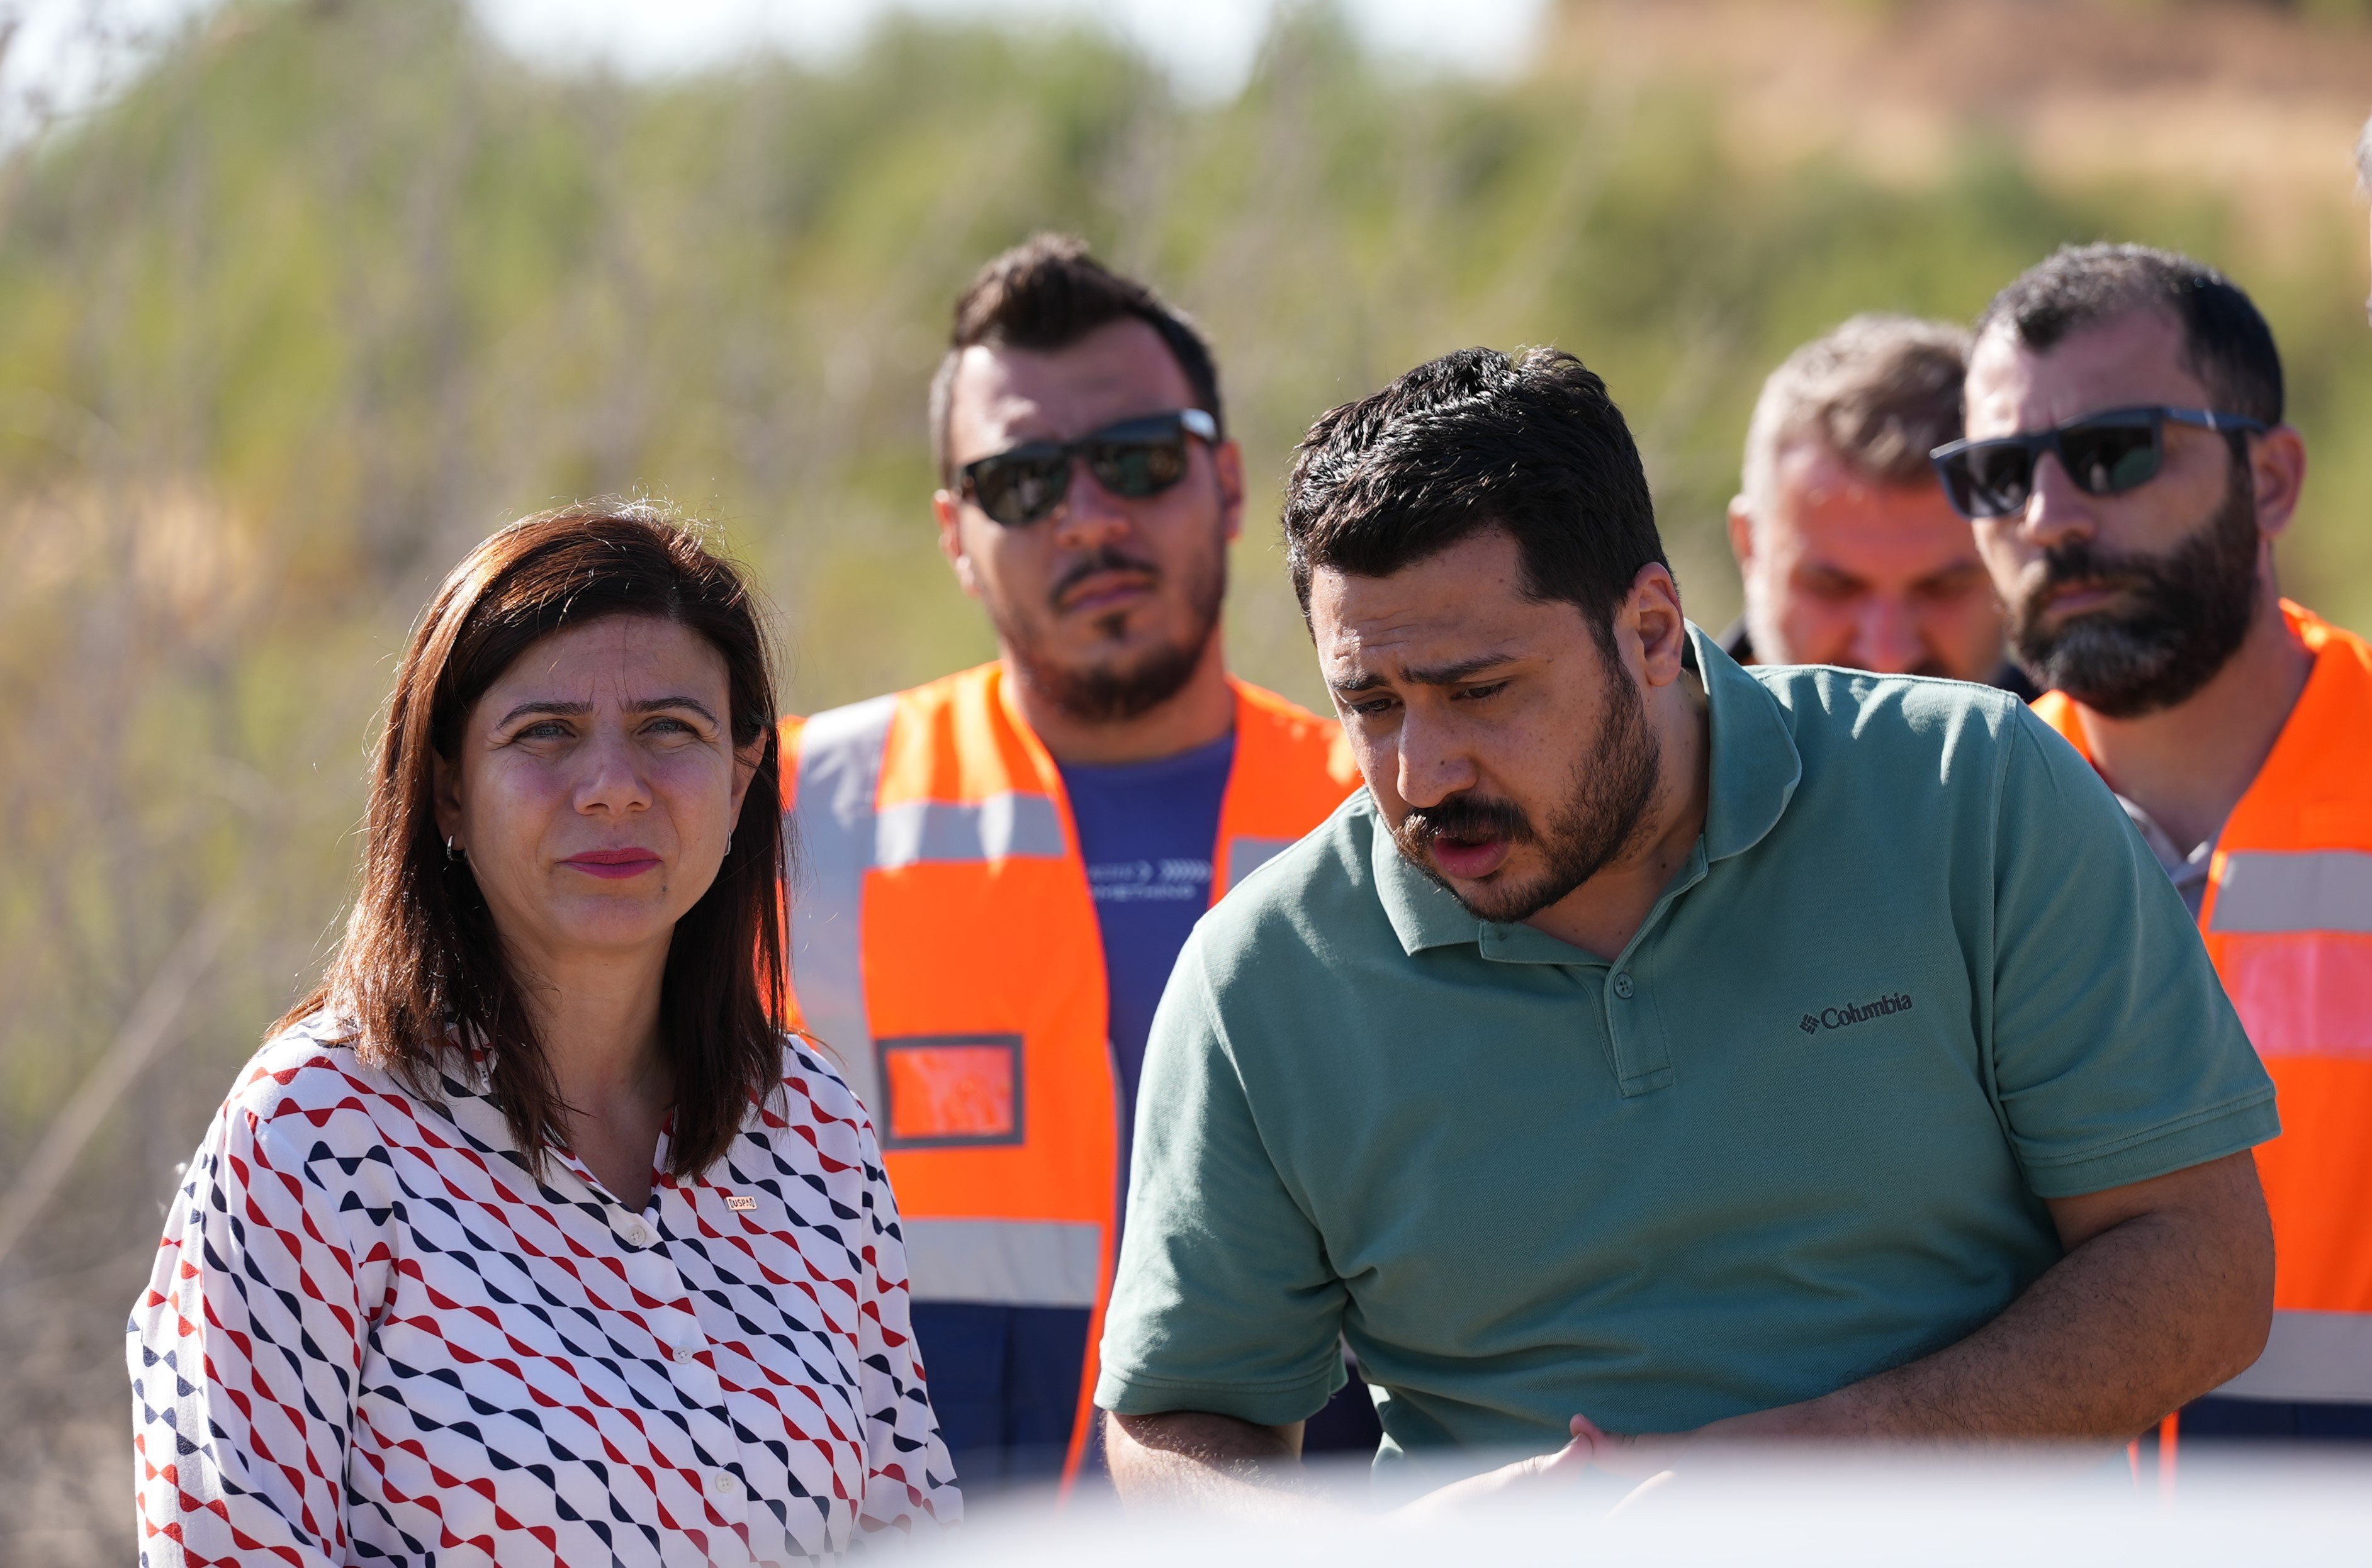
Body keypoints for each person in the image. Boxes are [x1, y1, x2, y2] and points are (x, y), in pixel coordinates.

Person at [1095, 344, 2279, 1509]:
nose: (1421, 770)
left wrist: (1834, 1459)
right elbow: (1173, 1420)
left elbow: (2202, 1266)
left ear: (1651, 630)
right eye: (1370, 704)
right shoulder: (1261, 975)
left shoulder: (1973, 793)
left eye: (1477, 690)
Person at [128, 506, 957, 1563]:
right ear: (447, 792)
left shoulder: (809, 1129)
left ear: (743, 775)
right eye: (544, 733)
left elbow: (909, 1533)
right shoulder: (318, 1135)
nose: (612, 783)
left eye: (670, 729)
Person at [778, 235, 1366, 1495]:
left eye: (1141, 460)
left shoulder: (1385, 813)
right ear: (953, 530)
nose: (1089, 517)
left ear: (1223, 481)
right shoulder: (790, 810)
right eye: (1023, 481)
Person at [1947, 242, 2372, 1441]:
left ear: (2272, 480)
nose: (2045, 517)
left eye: (2111, 451)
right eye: (1992, 473)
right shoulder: (1934, 839)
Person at [1724, 314, 2032, 695]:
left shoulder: (2085, 751)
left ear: (2015, 553)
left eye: (1943, 588)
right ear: (1749, 545)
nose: (1888, 659)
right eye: (1833, 588)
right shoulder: (1642, 750)